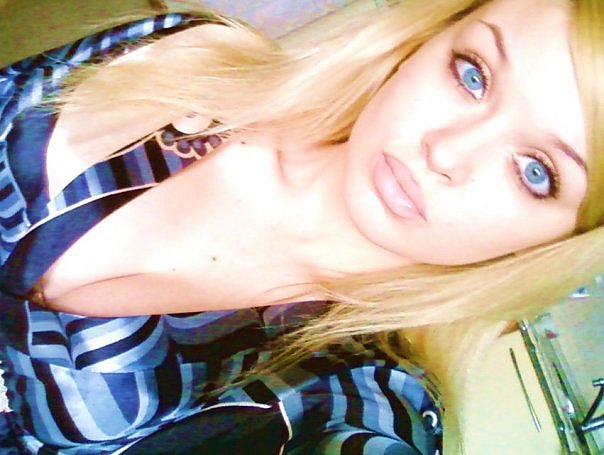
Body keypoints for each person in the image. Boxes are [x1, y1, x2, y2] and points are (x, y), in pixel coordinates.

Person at [0, 0, 602, 453]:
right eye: (473, 74)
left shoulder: (356, 401)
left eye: (535, 172)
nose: (446, 152)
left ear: (560, 244)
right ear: (425, 40)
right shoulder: (191, 55)